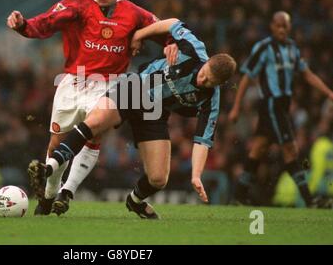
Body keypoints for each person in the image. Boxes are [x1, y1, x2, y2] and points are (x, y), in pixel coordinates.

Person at [7, 0, 174, 215]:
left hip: (108, 84)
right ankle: (49, 195)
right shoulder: (78, 3)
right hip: (73, 81)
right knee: (56, 143)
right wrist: (23, 25)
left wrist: (171, 43)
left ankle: (67, 192)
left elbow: (165, 28)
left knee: (93, 134)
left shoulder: (135, 14)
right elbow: (47, 22)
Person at [28, 18, 237, 218]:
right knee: (96, 122)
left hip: (154, 112)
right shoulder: (194, 49)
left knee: (158, 179)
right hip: (135, 88)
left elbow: (202, 140)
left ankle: (135, 201)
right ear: (207, 61)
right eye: (204, 73)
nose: (202, 80)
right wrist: (140, 34)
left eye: (209, 82)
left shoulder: (211, 99)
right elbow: (172, 23)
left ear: (219, 84)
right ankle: (49, 168)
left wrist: (196, 175)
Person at [228, 11, 333, 207]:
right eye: (278, 25)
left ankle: (238, 196)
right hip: (271, 104)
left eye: (285, 25)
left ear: (290, 27)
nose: (282, 29)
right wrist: (236, 107)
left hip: (283, 106)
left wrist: (329, 93)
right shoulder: (264, 48)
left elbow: (307, 74)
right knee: (290, 149)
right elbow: (246, 77)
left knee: (258, 149)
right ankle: (310, 200)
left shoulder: (293, 48)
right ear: (272, 26)